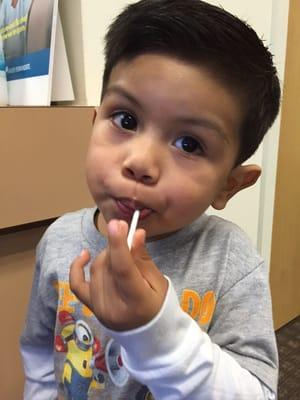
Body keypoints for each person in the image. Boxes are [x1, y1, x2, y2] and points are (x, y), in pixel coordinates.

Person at [20, 0, 281, 399]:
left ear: (229, 185)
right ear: (94, 124)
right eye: (126, 120)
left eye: (189, 144)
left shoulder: (231, 262)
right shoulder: (59, 240)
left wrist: (156, 332)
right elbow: (39, 350)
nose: (140, 162)